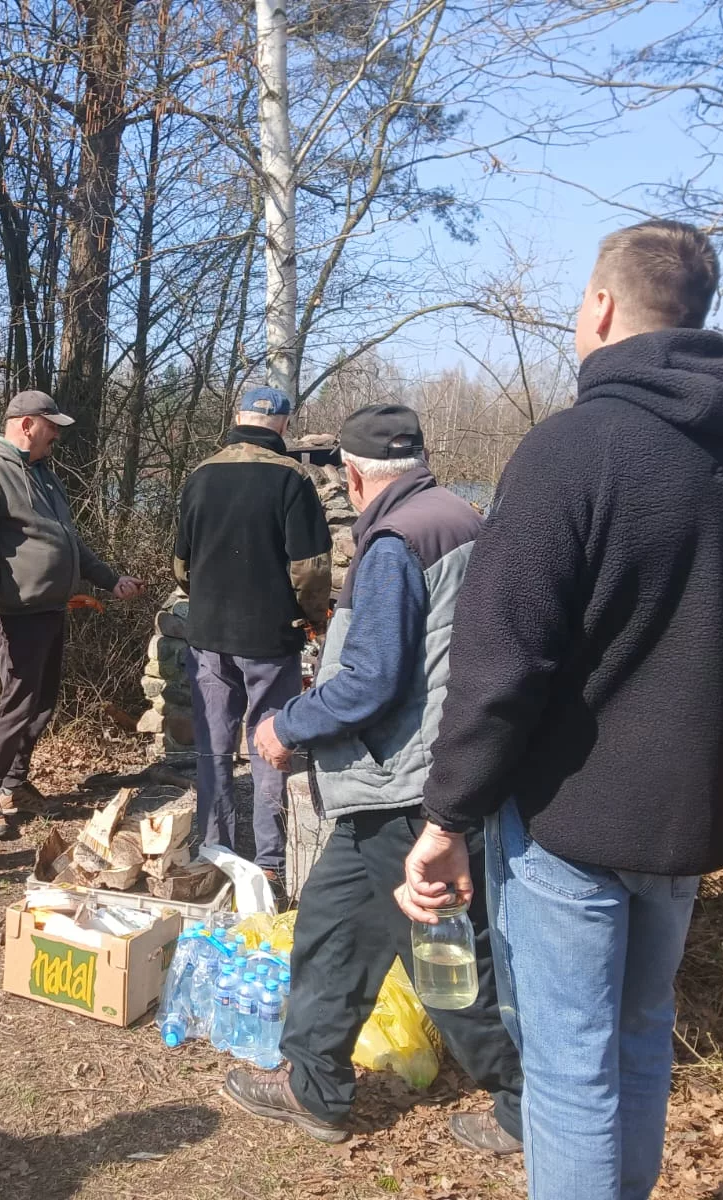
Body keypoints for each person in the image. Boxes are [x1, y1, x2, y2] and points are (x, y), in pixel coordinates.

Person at [397, 221, 723, 1200]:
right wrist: (686, 694)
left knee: (570, 1067)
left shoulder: (572, 450)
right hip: (686, 817)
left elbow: (501, 666)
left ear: (599, 306)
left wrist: (445, 817)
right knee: (636, 1044)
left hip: (565, 821)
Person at [222, 405, 523, 1154]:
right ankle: (313, 1084)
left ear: (353, 477)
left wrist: (284, 726)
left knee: (446, 958)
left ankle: (527, 1103)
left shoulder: (393, 542)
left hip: (404, 784)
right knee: (333, 928)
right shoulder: (460, 516)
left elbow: (371, 680)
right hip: (428, 772)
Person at [0, 390, 144, 836]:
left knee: (41, 703)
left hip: (49, 608)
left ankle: (14, 785)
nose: (57, 436)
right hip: (15, 612)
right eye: (51, 427)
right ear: (27, 424)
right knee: (17, 702)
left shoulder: (42, 473)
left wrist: (109, 579)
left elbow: (69, 542)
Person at [173, 385, 331, 885]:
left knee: (213, 745)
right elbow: (309, 567)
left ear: (238, 417)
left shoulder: (199, 475)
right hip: (268, 635)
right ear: (283, 424)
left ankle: (215, 848)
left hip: (207, 633)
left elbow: (181, 564)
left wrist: (204, 598)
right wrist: (313, 617)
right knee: (269, 744)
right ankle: (268, 861)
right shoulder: (291, 478)